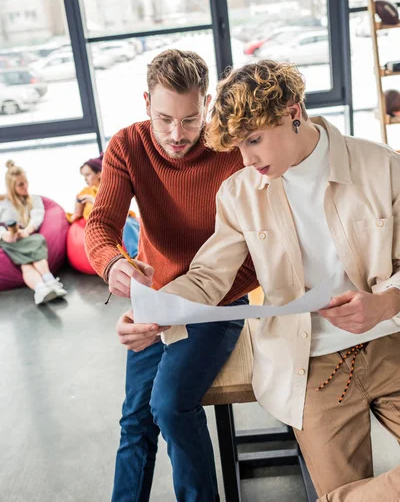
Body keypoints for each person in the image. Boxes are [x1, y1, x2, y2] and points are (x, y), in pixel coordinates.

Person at [155, 59, 400, 502]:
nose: (247, 159)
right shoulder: (239, 194)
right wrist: (155, 309)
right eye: (237, 146)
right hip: (311, 363)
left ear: (294, 111)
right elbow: (209, 275)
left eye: (254, 140)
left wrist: (385, 303)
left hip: (392, 344)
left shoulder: (382, 166)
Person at [85, 49, 258, 502]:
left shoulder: (231, 148)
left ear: (206, 104)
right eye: (164, 119)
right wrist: (113, 262)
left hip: (217, 300)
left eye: (188, 119)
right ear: (147, 103)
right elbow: (100, 226)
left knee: (170, 405)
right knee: (136, 420)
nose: (175, 134)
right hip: (157, 300)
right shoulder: (127, 146)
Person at [0, 160, 67, 305]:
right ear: (12, 187)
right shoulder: (2, 203)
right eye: (20, 184)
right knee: (34, 245)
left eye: (26, 182)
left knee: (35, 244)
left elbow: (37, 217)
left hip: (25, 237)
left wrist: (26, 231)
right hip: (7, 240)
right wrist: (5, 234)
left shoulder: (34, 200)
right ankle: (48, 283)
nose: (25, 187)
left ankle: (43, 288)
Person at [67, 153, 103, 223]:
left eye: (88, 175)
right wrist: (77, 211)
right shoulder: (84, 192)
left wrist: (94, 202)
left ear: (99, 173)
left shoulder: (110, 189)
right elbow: (76, 216)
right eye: (84, 176)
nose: (85, 179)